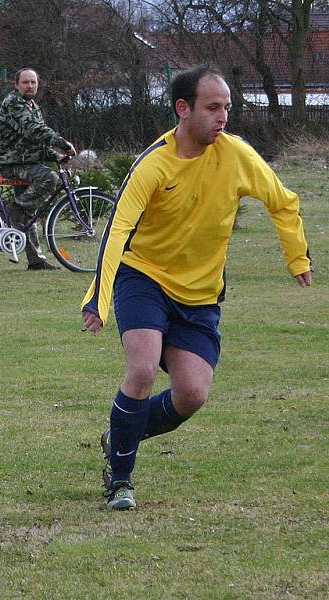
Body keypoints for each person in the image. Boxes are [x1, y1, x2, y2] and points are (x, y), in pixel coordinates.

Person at [80, 67, 312, 510]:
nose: (223, 116)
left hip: (201, 294)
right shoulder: (154, 163)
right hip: (144, 277)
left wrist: (296, 256)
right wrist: (98, 296)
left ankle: (120, 434)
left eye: (227, 107)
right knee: (143, 369)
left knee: (192, 395)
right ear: (182, 109)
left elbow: (283, 201)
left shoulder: (238, 156)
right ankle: (121, 481)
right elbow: (117, 230)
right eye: (213, 107)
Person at [0, 67, 77, 270]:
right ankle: (15, 209)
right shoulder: (14, 103)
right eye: (25, 82)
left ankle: (36, 261)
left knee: (29, 212)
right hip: (12, 163)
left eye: (33, 82)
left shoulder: (32, 105)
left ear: (38, 85)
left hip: (26, 162)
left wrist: (55, 155)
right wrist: (62, 143)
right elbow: (34, 130)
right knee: (48, 178)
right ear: (16, 85)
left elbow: (37, 141)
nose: (30, 85)